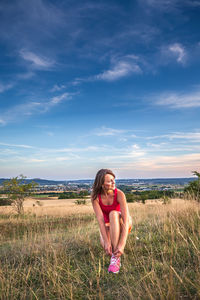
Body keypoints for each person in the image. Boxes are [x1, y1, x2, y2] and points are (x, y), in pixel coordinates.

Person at [91, 169, 132, 274]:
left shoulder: (120, 194)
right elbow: (100, 221)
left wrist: (122, 245)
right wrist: (107, 242)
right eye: (110, 181)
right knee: (105, 245)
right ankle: (114, 251)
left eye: (114, 180)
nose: (114, 182)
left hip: (123, 223)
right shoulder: (95, 197)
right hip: (108, 225)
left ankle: (115, 259)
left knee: (113, 214)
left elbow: (126, 220)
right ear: (101, 184)